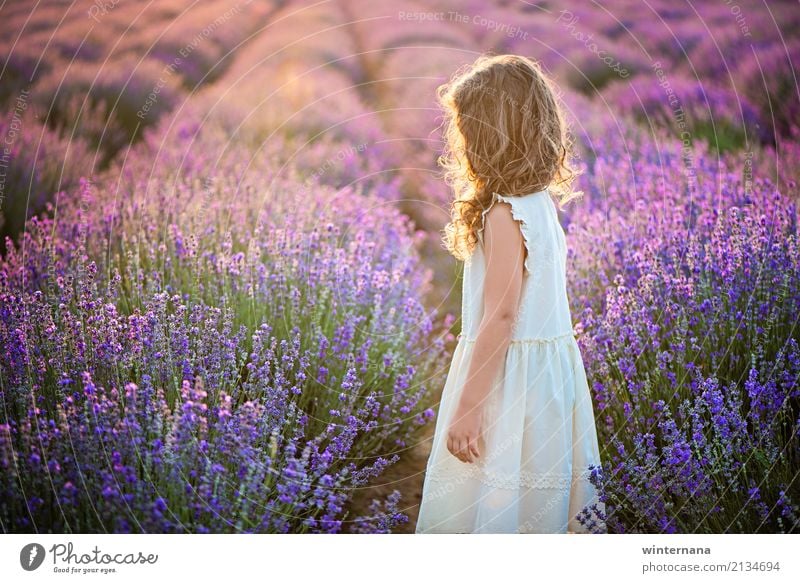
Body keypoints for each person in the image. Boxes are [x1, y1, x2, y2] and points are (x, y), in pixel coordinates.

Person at [415, 54, 605, 534]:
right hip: (549, 380)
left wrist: (468, 407)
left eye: (464, 130)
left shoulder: (503, 214)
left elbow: (500, 318)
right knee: (537, 496)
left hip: (507, 382)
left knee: (494, 490)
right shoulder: (539, 204)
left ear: (486, 136)